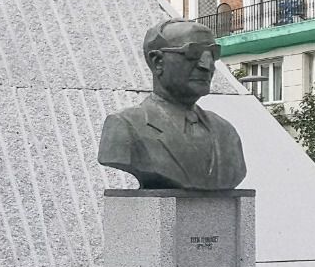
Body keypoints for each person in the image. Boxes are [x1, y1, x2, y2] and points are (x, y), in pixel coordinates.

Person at [98, 19, 246, 190]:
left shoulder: (226, 132)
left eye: (212, 53)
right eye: (193, 52)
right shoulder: (125, 126)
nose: (206, 65)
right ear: (157, 61)